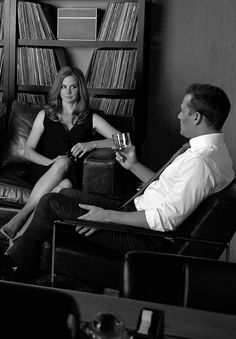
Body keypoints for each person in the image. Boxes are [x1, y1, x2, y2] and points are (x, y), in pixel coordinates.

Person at [0, 83, 235, 281]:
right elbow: (165, 188)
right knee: (64, 196)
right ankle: (22, 260)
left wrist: (105, 216)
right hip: (137, 213)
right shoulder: (212, 152)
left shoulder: (201, 162)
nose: (178, 115)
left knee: (52, 202)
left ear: (196, 117)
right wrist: (133, 165)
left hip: (147, 238)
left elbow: (166, 219)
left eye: (183, 110)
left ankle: (15, 268)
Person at [0, 66, 118, 244]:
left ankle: (19, 231)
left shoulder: (90, 117)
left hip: (72, 175)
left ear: (80, 89)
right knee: (62, 165)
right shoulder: (45, 115)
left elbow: (122, 140)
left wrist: (92, 143)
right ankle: (21, 226)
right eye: (64, 87)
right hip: (43, 172)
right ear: (58, 89)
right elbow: (28, 150)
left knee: (66, 182)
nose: (68, 92)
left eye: (73, 86)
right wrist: (51, 163)